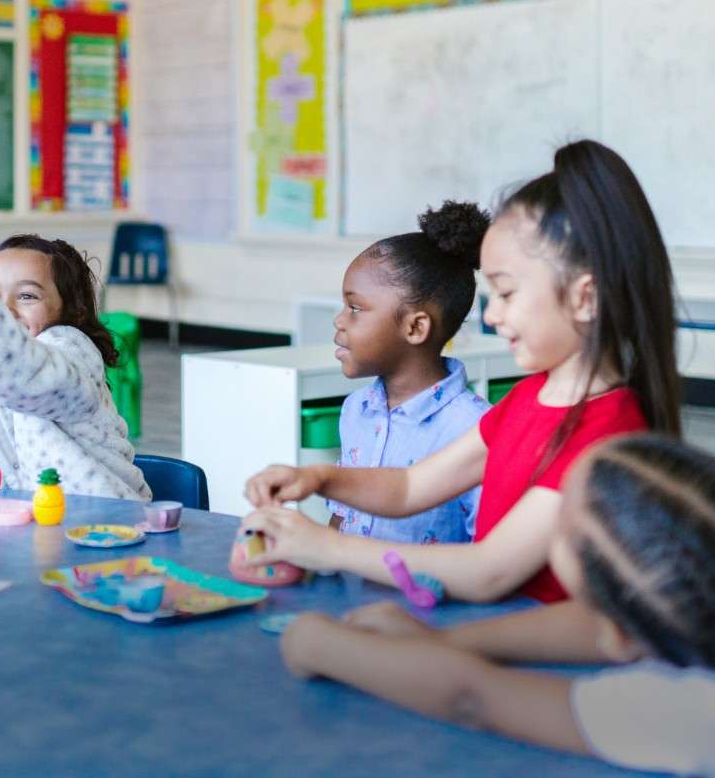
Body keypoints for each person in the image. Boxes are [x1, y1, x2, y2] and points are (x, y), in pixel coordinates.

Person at [279, 435, 715, 778]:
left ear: (622, 638)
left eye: (561, 521)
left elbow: (473, 699)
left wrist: (318, 642)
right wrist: (440, 641)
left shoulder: (690, 714)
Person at [242, 140, 680, 603]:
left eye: (507, 295)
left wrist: (328, 549)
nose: (490, 317)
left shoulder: (605, 434)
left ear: (585, 297)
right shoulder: (529, 399)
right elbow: (411, 487)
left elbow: (486, 571)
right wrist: (318, 479)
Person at [0, 194, 149, 501]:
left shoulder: (72, 357)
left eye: (27, 296)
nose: (5, 310)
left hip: (102, 527)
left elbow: (24, 375)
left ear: (74, 308)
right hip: (21, 534)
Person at [326, 201, 491, 544]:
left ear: (416, 328)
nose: (339, 321)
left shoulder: (475, 430)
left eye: (355, 308)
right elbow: (342, 516)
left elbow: (487, 552)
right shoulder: (356, 409)